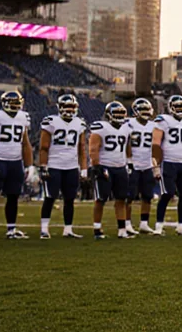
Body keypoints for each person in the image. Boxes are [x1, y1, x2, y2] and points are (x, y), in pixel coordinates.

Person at [0, 91, 35, 240]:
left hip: (15, 161)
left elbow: (25, 143)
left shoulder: (23, 117)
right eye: (12, 103)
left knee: (13, 196)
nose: (15, 106)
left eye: (17, 102)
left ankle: (11, 229)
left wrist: (29, 165)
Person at [37, 93, 86, 239]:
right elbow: (43, 147)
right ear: (60, 107)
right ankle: (44, 229)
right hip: (54, 165)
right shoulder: (51, 121)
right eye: (66, 106)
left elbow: (81, 149)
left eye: (72, 107)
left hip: (71, 166)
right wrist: (43, 166)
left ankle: (68, 229)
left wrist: (83, 169)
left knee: (70, 199)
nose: (69, 110)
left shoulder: (80, 123)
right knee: (50, 197)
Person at [153, 95, 182, 236]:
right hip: (168, 162)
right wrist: (155, 165)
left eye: (181, 106)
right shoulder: (163, 121)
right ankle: (158, 226)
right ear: (171, 107)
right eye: (177, 106)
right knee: (167, 193)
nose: (179, 109)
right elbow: (156, 143)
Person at [88, 102, 134, 239]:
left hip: (120, 167)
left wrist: (129, 162)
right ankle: (97, 229)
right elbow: (93, 148)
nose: (119, 117)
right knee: (101, 199)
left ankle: (122, 230)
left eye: (121, 114)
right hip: (105, 166)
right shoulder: (100, 127)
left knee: (121, 199)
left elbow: (127, 146)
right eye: (116, 114)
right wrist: (96, 165)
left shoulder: (126, 128)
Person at [125, 98, 158, 235]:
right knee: (129, 196)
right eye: (142, 110)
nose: (145, 112)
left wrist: (155, 165)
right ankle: (126, 223)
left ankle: (144, 223)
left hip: (147, 164)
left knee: (147, 196)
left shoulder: (154, 126)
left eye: (146, 109)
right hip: (132, 163)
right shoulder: (128, 124)